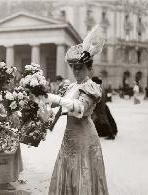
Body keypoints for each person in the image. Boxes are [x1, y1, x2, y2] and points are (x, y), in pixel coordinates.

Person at [36, 27, 109, 194]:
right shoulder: (70, 86)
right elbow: (58, 110)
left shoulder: (91, 87)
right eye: (73, 67)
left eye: (80, 67)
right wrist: (40, 108)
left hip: (84, 138)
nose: (76, 71)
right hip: (69, 138)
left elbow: (80, 108)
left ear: (89, 68)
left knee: (83, 174)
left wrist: (51, 97)